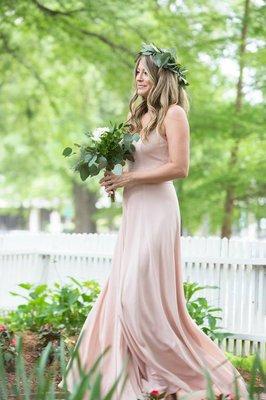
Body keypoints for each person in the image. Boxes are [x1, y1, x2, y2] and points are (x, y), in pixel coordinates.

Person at [59, 43, 249, 400]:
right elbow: (133, 165)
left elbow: (180, 167)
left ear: (162, 76)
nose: (139, 76)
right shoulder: (136, 116)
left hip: (159, 211)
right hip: (134, 212)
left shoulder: (174, 114)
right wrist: (114, 176)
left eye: (146, 71)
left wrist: (131, 179)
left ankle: (184, 372)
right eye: (137, 71)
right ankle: (137, 373)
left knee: (136, 295)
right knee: (122, 295)